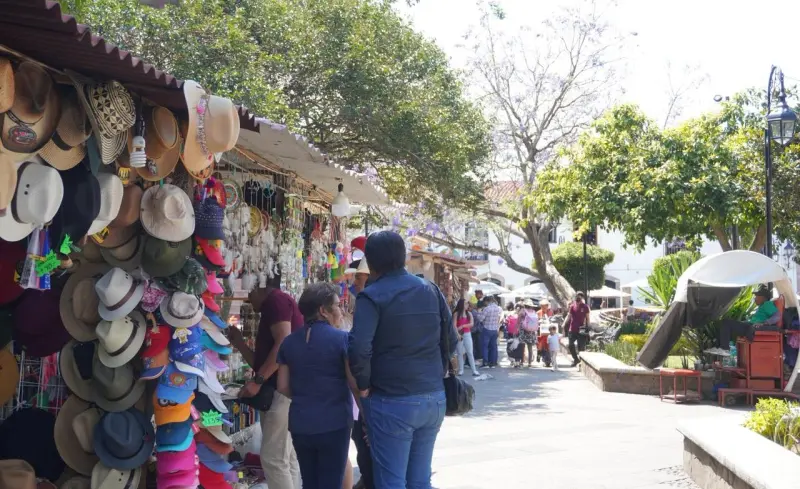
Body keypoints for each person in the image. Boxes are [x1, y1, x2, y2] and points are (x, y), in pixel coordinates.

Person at [349, 231, 458, 489]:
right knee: (419, 480)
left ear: (370, 262)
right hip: (432, 396)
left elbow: (359, 348)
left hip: (391, 400)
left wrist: (363, 385)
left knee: (392, 482)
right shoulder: (430, 289)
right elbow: (451, 341)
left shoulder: (372, 296)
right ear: (404, 257)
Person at [276, 283, 358, 489]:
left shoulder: (289, 342)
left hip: (301, 423)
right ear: (323, 310)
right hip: (334, 422)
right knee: (331, 482)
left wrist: (306, 395)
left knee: (310, 482)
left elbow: (282, 386)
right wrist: (366, 415)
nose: (341, 311)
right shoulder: (342, 339)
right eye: (338, 305)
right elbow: (353, 383)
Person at [229, 272, 303, 489]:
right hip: (283, 390)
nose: (247, 298)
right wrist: (240, 343)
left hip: (280, 392)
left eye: (248, 291)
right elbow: (264, 359)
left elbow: (284, 342)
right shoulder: (278, 302)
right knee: (285, 456)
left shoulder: (276, 301)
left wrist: (258, 381)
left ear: (258, 286)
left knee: (273, 458)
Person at [706, 285, 781, 356]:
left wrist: (765, 323)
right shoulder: (761, 307)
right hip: (749, 325)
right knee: (725, 324)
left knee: (726, 322)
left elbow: (777, 316)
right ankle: (720, 347)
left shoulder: (767, 304)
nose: (755, 298)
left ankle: (725, 349)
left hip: (752, 327)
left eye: (757, 296)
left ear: (764, 298)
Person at [453, 299, 480, 376]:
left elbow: (472, 324)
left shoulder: (469, 314)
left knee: (470, 352)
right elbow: (454, 325)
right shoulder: (456, 314)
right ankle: (461, 370)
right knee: (460, 353)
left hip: (467, 334)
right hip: (460, 334)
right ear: (461, 305)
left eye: (467, 304)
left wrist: (463, 326)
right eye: (465, 304)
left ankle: (474, 370)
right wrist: (457, 334)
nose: (467, 305)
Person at [565, 292, 590, 367]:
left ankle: (581, 362)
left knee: (581, 347)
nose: (577, 298)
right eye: (577, 296)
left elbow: (588, 318)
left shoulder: (585, 307)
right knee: (570, 345)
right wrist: (564, 324)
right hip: (572, 329)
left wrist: (588, 327)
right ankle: (576, 359)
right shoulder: (572, 306)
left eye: (579, 297)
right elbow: (569, 316)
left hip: (581, 329)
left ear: (582, 298)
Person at [476, 296, 502, 368]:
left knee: (485, 347)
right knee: (493, 346)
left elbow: (481, 319)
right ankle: (493, 362)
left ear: (487, 301)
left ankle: (485, 362)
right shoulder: (498, 308)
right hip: (494, 329)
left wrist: (478, 312)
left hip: (487, 329)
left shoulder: (487, 309)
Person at [519, 300, 539, 367]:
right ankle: (529, 363)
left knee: (522, 347)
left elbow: (518, 321)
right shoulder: (533, 312)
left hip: (523, 331)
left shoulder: (522, 311)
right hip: (531, 331)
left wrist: (516, 329)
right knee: (530, 347)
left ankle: (521, 362)